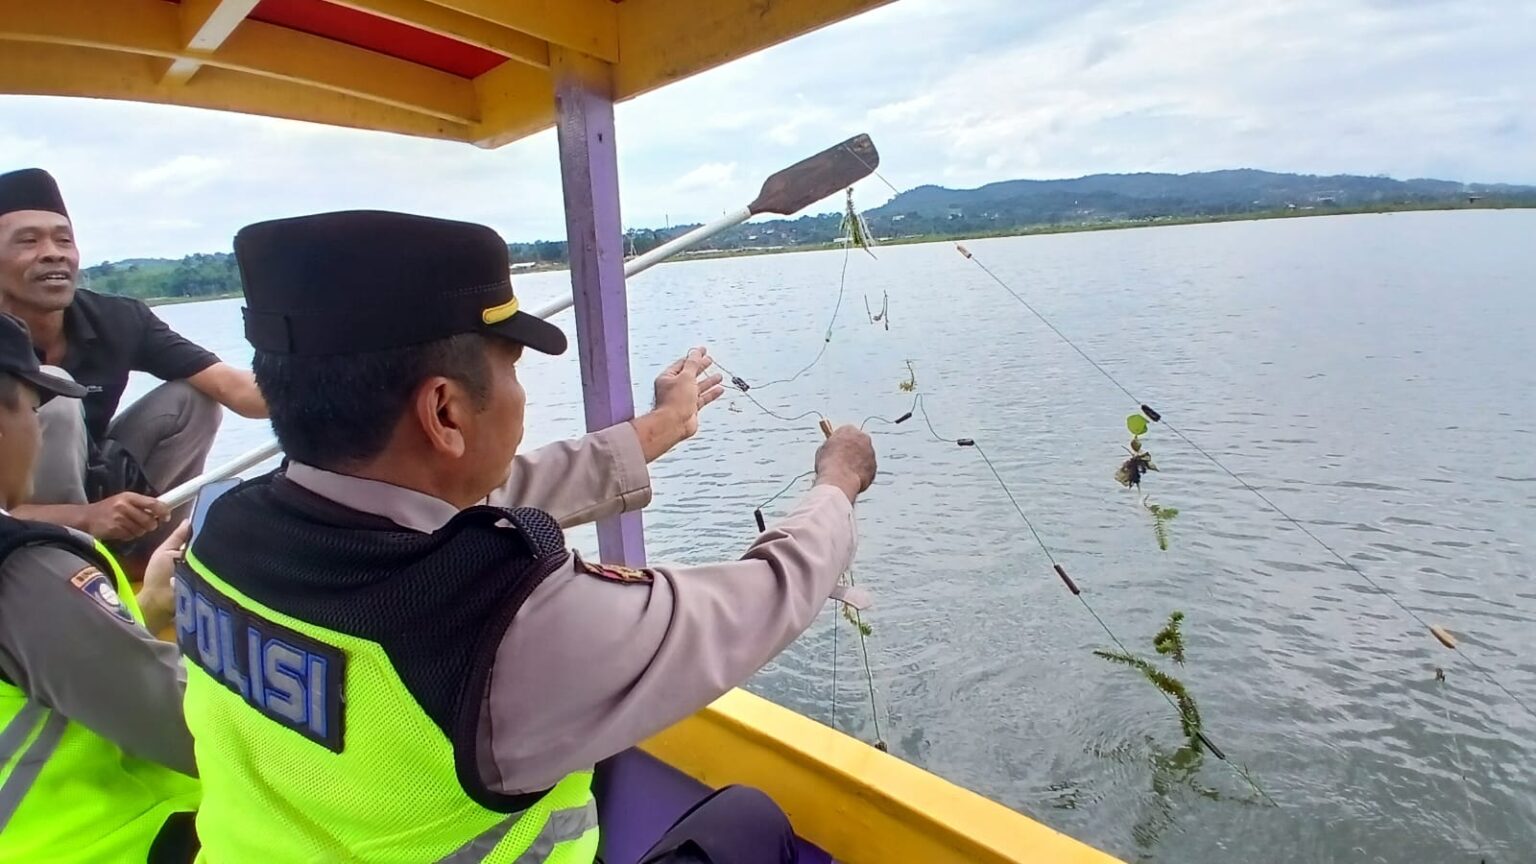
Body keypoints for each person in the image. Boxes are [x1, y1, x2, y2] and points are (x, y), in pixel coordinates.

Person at [177, 210, 877, 863]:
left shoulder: (218, 528)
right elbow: (768, 596)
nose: (521, 395)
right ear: (444, 409)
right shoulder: (506, 624)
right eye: (511, 369)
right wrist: (837, 482)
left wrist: (663, 425)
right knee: (746, 823)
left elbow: (486, 492)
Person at [0, 312, 202, 862]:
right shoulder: (23, 568)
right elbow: (184, 727)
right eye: (32, 410)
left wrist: (145, 605)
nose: (39, 434)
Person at [0, 168, 267, 558]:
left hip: (94, 477)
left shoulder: (119, 319)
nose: (53, 252)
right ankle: (65, 559)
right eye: (28, 241)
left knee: (193, 399)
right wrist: (85, 518)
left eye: (64, 239)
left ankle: (155, 557)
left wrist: (349, 388)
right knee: (50, 386)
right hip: (12, 513)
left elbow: (238, 391)